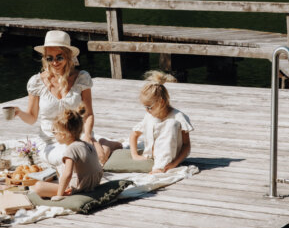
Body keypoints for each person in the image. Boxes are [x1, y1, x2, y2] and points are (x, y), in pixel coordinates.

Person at [14, 30, 121, 166]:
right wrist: (18, 112)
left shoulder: (81, 78)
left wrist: (87, 135)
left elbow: (88, 115)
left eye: (59, 57)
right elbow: (31, 118)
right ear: (45, 58)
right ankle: (103, 144)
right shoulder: (36, 82)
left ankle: (105, 145)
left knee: (96, 158)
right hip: (51, 140)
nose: (54, 62)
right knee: (70, 159)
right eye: (49, 58)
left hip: (78, 135)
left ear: (68, 56)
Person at [130, 70, 193, 173]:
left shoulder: (178, 117)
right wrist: (134, 154)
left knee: (171, 125)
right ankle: (156, 162)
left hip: (170, 160)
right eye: (145, 107)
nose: (147, 110)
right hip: (150, 157)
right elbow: (134, 134)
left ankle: (160, 166)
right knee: (150, 121)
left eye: (149, 107)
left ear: (161, 102)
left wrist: (175, 163)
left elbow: (186, 145)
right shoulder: (149, 116)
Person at [33, 105, 103, 198]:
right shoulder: (87, 144)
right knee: (61, 167)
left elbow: (67, 174)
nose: (54, 135)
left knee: (38, 187)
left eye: (54, 132)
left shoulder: (71, 149)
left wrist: (59, 195)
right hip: (94, 183)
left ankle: (64, 191)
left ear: (63, 135)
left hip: (80, 186)